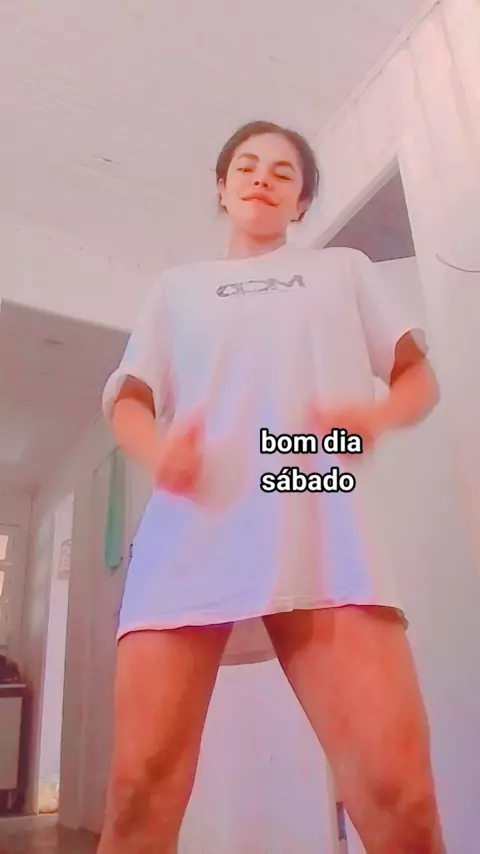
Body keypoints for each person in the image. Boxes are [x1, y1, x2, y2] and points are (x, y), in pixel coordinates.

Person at [98, 120, 445, 853]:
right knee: (137, 794)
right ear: (222, 189)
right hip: (191, 534)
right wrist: (158, 451)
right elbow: (129, 400)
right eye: (247, 167)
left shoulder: (344, 270)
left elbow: (417, 377)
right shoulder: (176, 289)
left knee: (401, 798)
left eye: (284, 173)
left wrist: (376, 416)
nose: (263, 178)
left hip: (323, 532)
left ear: (301, 201)